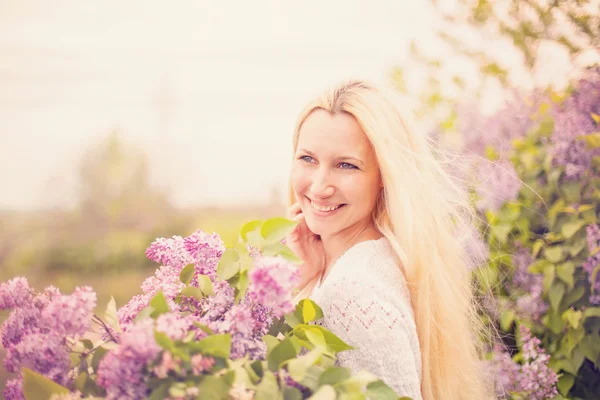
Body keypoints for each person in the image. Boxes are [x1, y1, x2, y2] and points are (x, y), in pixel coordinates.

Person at [285, 80, 495, 400]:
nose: (318, 186)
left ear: (384, 176)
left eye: (346, 165)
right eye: (307, 159)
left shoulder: (353, 292)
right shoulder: (373, 263)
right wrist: (302, 280)